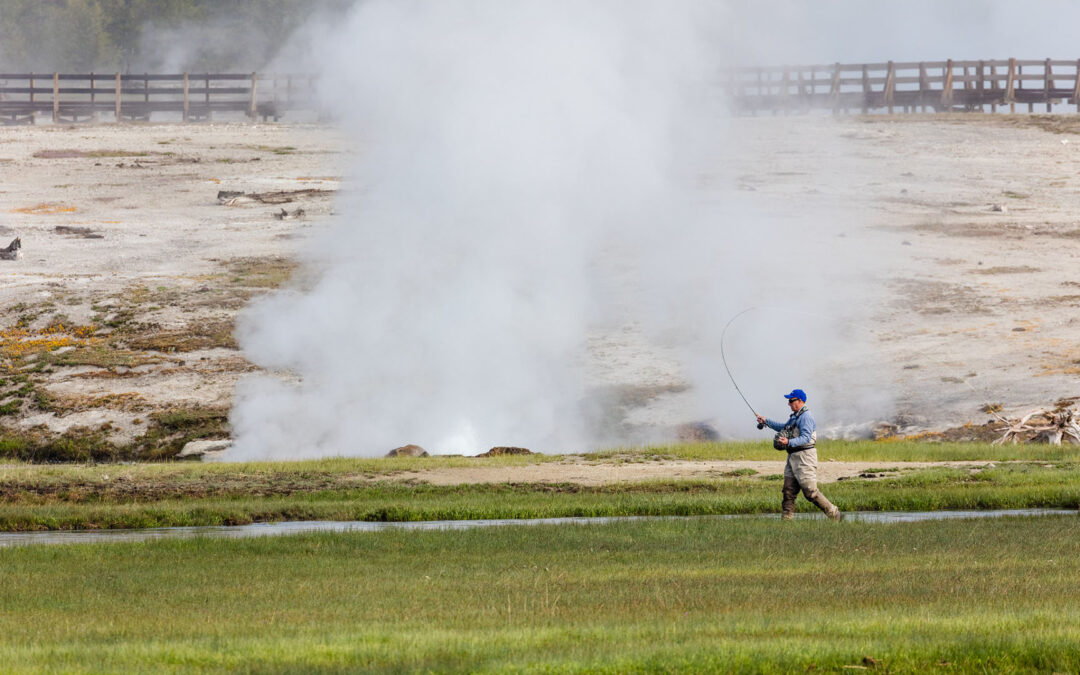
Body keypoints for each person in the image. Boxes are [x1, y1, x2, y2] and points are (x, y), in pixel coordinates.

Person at [755, 389, 841, 521]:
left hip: (805, 457)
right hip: (792, 457)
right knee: (788, 491)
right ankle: (786, 520)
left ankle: (833, 513)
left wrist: (789, 441)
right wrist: (766, 421)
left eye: (791, 400)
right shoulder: (795, 416)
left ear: (800, 401)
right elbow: (783, 427)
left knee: (810, 492)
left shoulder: (806, 417)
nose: (788, 404)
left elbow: (806, 437)